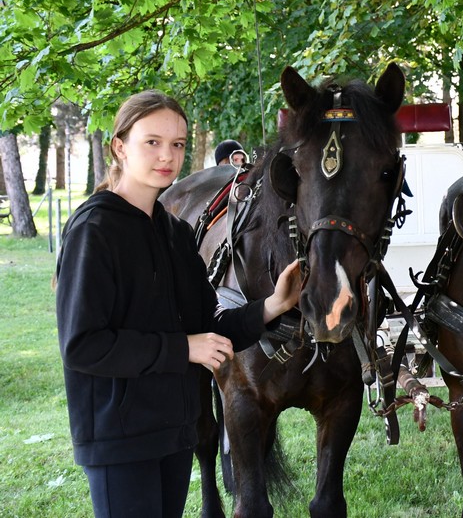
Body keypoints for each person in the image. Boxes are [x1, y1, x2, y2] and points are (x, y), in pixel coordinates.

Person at [55, 90, 302, 518]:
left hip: (175, 433)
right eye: (151, 142)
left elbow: (208, 328)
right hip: (121, 439)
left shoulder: (175, 233)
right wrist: (183, 348)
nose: (166, 155)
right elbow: (83, 346)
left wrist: (272, 306)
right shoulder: (94, 229)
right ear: (119, 146)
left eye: (178, 144)